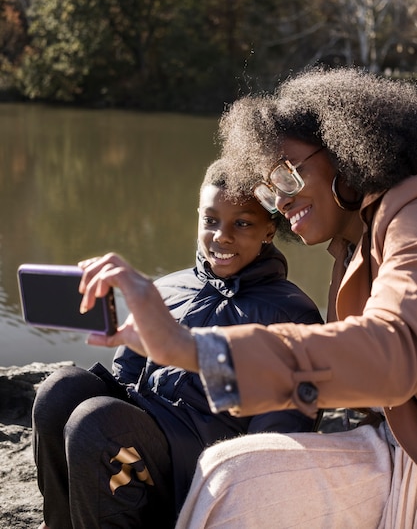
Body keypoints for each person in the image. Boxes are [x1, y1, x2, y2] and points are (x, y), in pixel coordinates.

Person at [79, 67, 417, 528]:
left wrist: (192, 349)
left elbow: (392, 355)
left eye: (285, 174)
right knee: (234, 472)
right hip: (393, 443)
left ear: (344, 150)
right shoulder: (348, 248)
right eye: (268, 188)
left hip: (406, 456)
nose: (279, 202)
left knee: (236, 477)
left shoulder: (409, 210)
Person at [33, 158, 322, 529]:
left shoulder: (289, 311)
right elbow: (126, 377)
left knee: (98, 422)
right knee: (60, 389)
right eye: (211, 220)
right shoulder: (166, 287)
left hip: (203, 462)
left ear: (270, 229)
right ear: (198, 216)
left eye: (243, 223)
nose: (222, 236)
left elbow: (277, 440)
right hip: (144, 437)